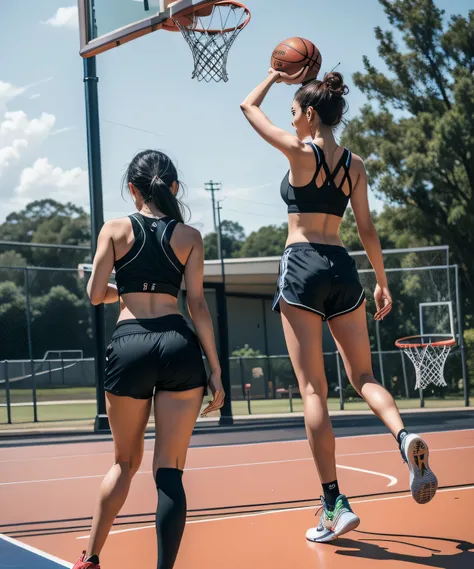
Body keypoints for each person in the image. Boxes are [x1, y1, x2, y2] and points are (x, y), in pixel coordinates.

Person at [240, 69, 437, 543]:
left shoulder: (296, 151)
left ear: (309, 114)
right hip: (343, 266)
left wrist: (272, 74)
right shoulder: (355, 163)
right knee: (364, 377)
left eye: (294, 112)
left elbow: (247, 108)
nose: (292, 120)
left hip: (302, 263)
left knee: (312, 390)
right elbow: (367, 229)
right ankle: (403, 436)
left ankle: (334, 503)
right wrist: (383, 282)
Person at [73, 150, 224, 569]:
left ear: (132, 189)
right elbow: (197, 305)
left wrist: (124, 291)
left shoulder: (116, 229)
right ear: (173, 187)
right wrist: (215, 369)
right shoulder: (189, 236)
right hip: (179, 345)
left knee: (124, 463)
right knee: (169, 470)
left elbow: (94, 293)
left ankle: (92, 558)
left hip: (130, 344)